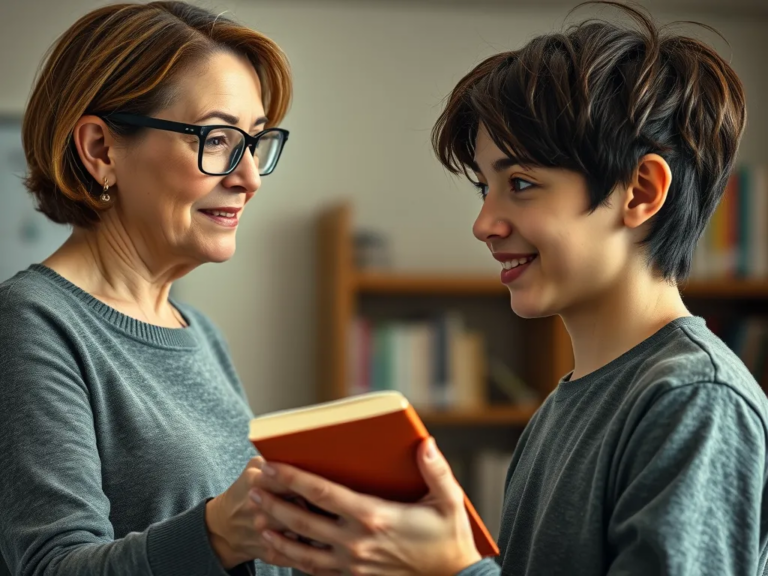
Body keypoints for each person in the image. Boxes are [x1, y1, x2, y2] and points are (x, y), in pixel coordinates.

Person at [247, 3, 768, 576]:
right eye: (484, 188)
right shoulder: (565, 404)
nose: (484, 224)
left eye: (521, 183)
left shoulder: (694, 398)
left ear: (640, 191)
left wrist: (453, 568)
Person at [0, 2, 301, 575]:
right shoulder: (30, 324)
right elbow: (52, 567)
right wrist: (218, 533)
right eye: (218, 139)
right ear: (101, 150)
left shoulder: (198, 332)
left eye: (255, 142)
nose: (249, 178)